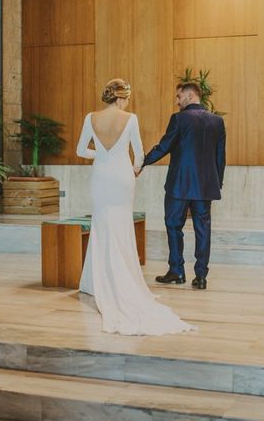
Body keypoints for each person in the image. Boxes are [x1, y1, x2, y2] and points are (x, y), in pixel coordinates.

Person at [76, 78, 194, 335]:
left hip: (101, 176)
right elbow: (138, 153)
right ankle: (123, 280)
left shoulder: (90, 117)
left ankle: (96, 281)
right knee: (121, 224)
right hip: (122, 176)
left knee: (101, 222)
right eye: (127, 98)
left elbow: (80, 150)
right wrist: (132, 166)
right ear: (122, 97)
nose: (128, 103)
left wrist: (102, 155)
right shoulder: (130, 118)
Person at [143, 82, 226, 291]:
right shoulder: (217, 121)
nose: (177, 101)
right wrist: (217, 182)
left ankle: (177, 270)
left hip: (179, 184)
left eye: (179, 97)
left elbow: (164, 146)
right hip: (205, 186)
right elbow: (220, 157)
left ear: (190, 96)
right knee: (203, 229)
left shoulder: (179, 119)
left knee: (173, 225)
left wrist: (142, 162)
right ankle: (201, 277)